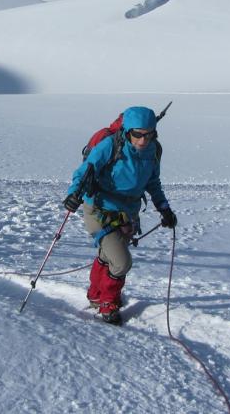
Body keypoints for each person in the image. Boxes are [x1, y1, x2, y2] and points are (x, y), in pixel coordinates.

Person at [63, 106, 177, 325]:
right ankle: (108, 302)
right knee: (122, 262)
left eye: (148, 134)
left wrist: (164, 208)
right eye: (137, 134)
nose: (143, 140)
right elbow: (84, 172)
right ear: (127, 131)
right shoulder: (109, 146)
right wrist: (72, 195)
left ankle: (95, 294)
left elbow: (153, 183)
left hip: (128, 212)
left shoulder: (154, 150)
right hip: (98, 208)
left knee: (108, 256)